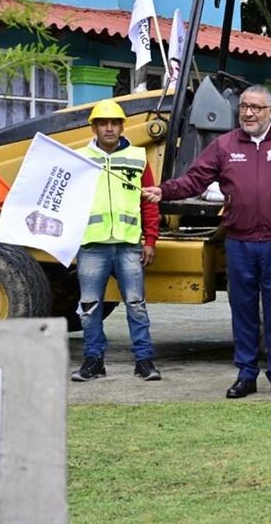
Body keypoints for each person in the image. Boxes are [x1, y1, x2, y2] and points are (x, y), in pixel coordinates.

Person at [143, 85, 271, 399]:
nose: (248, 113)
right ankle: (246, 374)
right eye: (244, 107)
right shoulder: (224, 145)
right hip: (240, 242)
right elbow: (195, 179)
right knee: (242, 310)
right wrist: (164, 190)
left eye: (256, 108)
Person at [71, 99, 161, 383]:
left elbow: (149, 202)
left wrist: (150, 240)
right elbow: (69, 203)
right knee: (89, 307)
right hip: (91, 246)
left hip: (128, 245)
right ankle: (93, 361)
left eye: (114, 123)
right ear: (94, 128)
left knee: (136, 304)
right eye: (103, 124)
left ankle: (144, 361)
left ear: (122, 127)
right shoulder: (79, 159)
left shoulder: (137, 157)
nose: (109, 128)